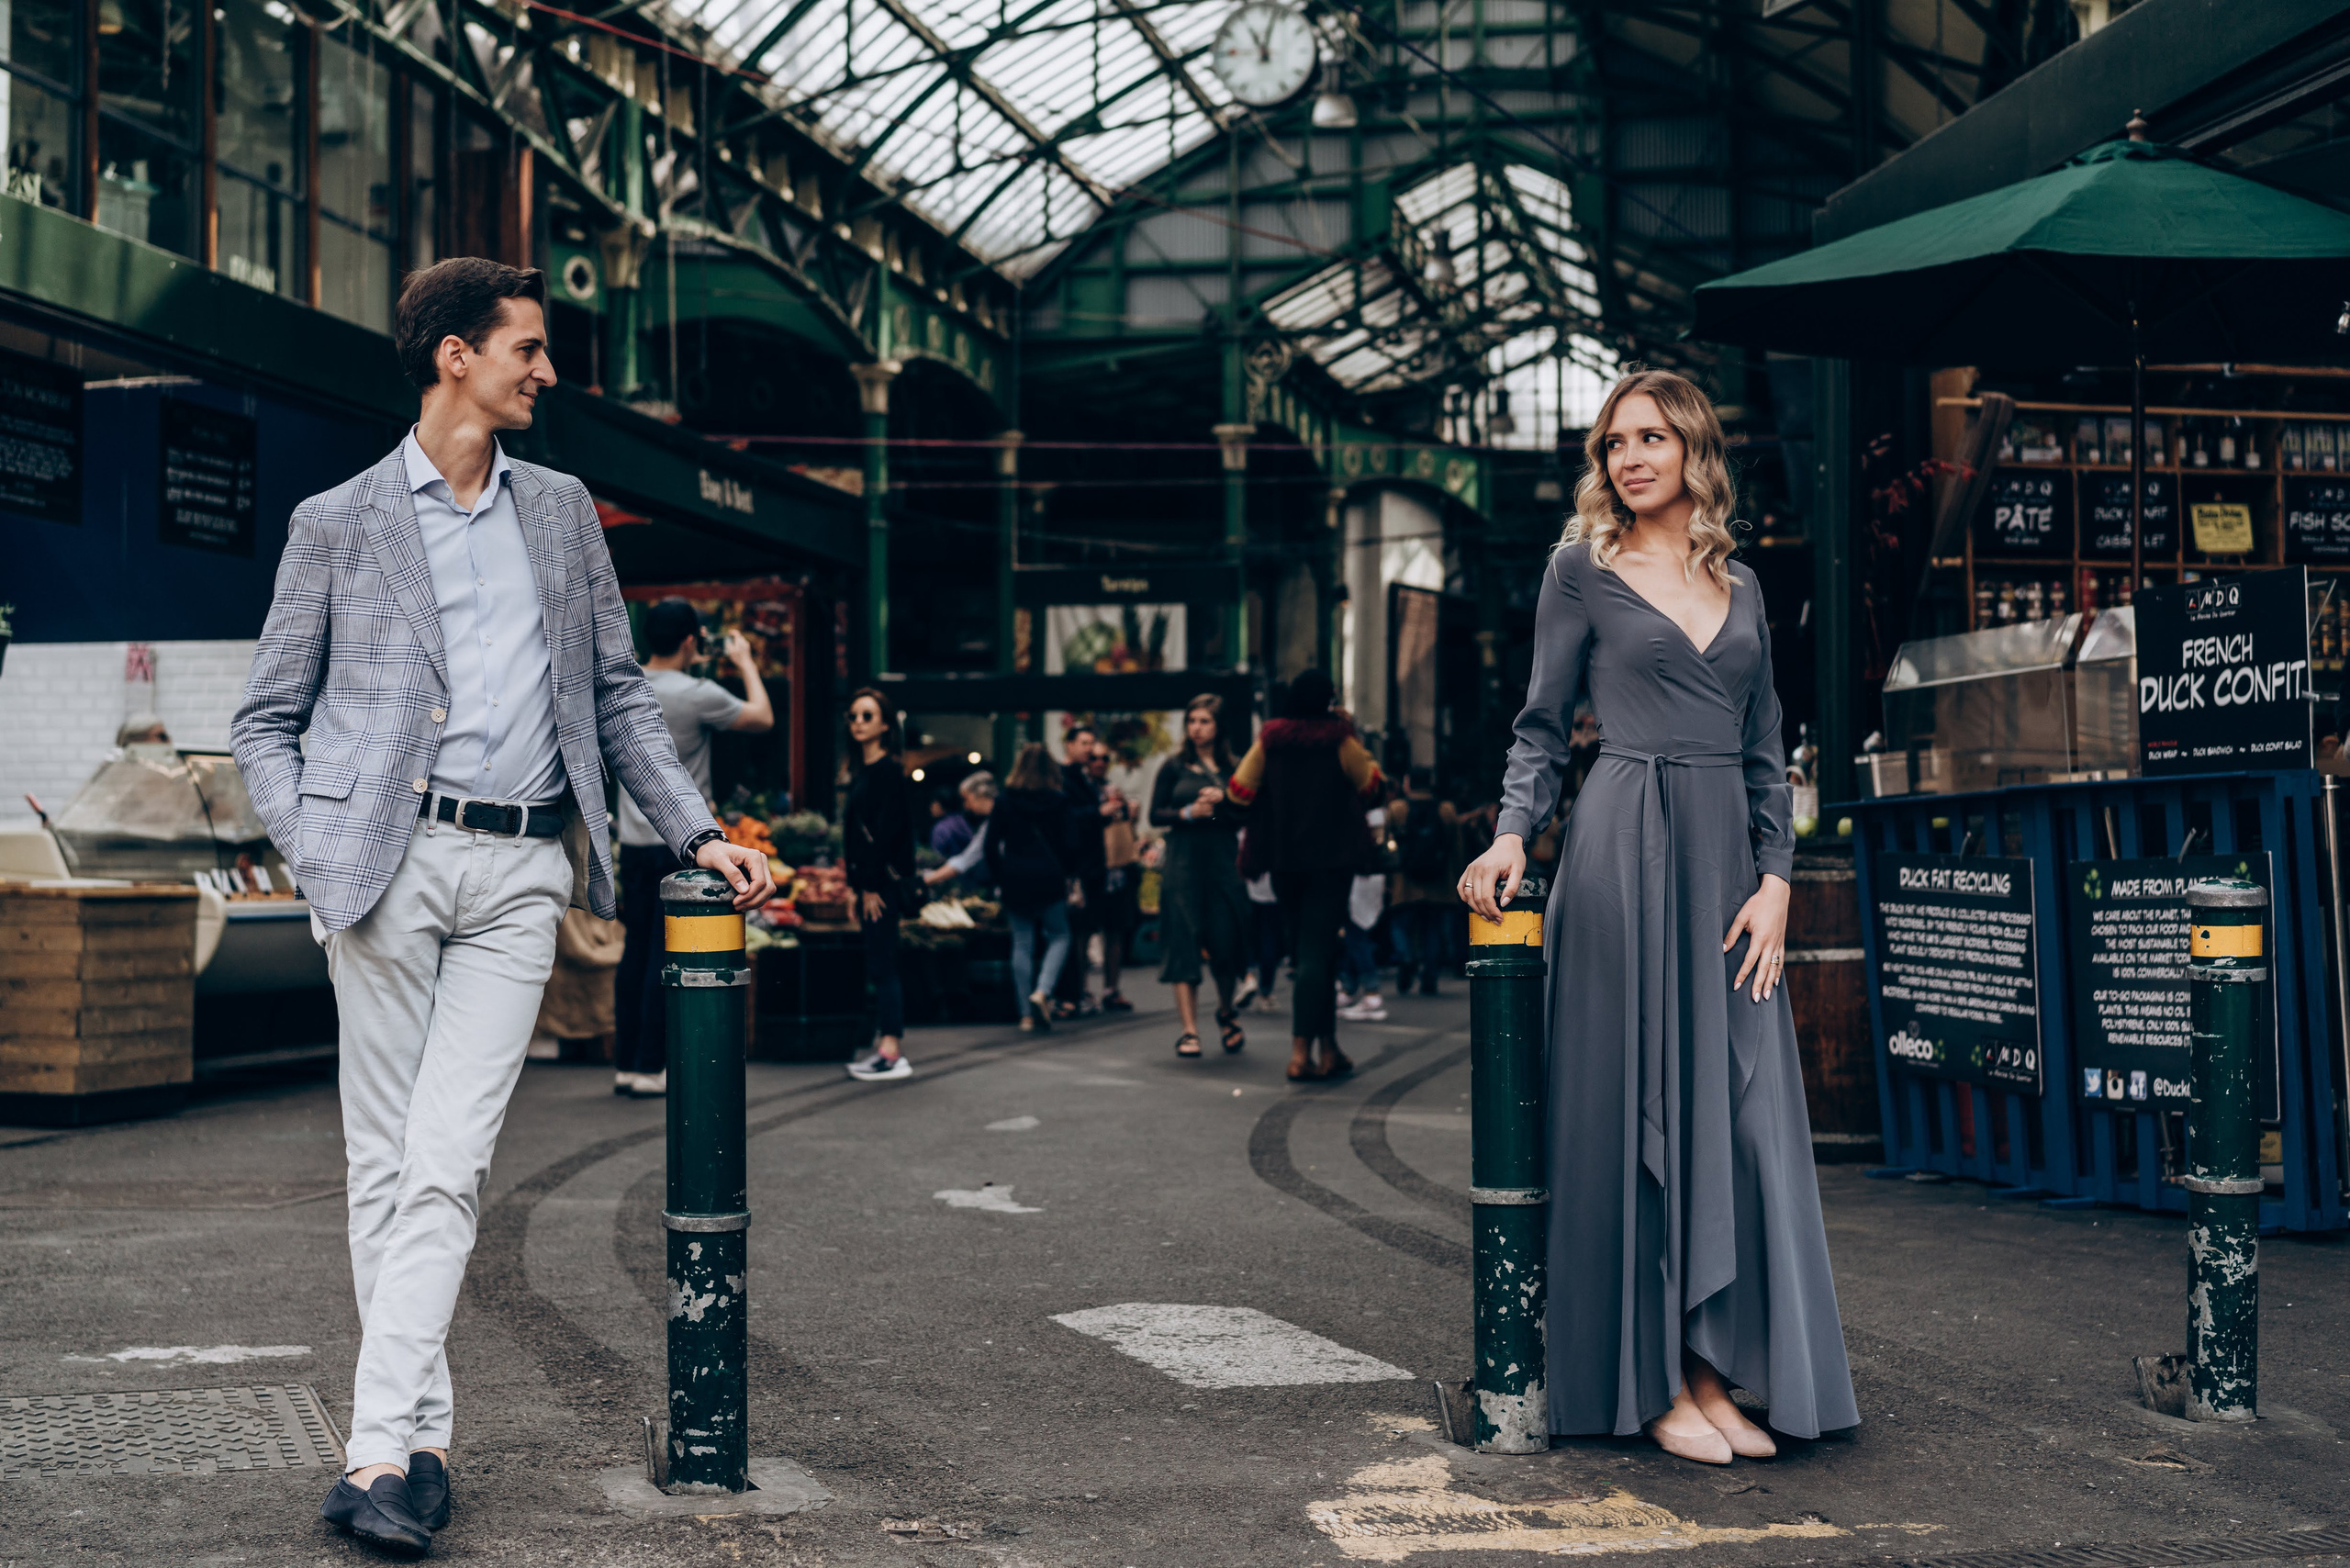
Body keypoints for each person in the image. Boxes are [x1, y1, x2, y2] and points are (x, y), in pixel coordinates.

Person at [229, 257, 772, 1556]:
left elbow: (621, 700)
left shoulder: (564, 511)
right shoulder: (339, 521)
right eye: (527, 349)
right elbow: (264, 721)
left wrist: (700, 829)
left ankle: (370, 1454)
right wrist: (315, 849)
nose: (546, 371)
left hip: (525, 870)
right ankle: (417, 1444)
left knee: (449, 1160)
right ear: (452, 356)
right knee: (386, 1169)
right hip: (385, 865)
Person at [1460, 367, 1857, 1465]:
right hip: (1620, 849)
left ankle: (1718, 1373)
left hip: (1728, 867)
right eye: (1611, 444)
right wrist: (1508, 832)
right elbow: (1540, 728)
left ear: (1692, 451)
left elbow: (1767, 749)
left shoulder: (1745, 584)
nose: (1626, 458)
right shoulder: (1577, 572)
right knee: (1635, 1108)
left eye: (1647, 439)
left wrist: (1777, 878)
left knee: (1736, 1113)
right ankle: (1654, 1382)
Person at [612, 599, 773, 1097]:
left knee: (635, 951)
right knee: (669, 957)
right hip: (684, 845)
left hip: (633, 843)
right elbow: (762, 718)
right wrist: (744, 661)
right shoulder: (699, 693)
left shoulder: (628, 686)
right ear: (691, 640)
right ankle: (651, 1063)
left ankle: (627, 1062)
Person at [1231, 668, 1382, 1081]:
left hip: (1283, 859)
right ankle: (1301, 1053)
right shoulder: (1339, 739)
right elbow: (1372, 787)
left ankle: (1329, 1049)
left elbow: (1238, 790)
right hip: (1332, 860)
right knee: (1318, 953)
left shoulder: (1270, 739)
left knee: (1308, 951)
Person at [1147, 694, 1251, 1058]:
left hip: (1221, 862)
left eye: (1204, 721)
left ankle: (1226, 1011)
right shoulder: (1174, 766)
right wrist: (1189, 812)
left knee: (1225, 940)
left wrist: (1224, 801)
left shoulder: (1235, 767)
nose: (1197, 728)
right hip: (1183, 862)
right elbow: (1155, 815)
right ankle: (1189, 1030)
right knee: (1182, 941)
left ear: (1219, 726)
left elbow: (1246, 815)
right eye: (1192, 721)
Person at [843, 689, 915, 1082]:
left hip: (881, 888)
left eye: (867, 716)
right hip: (869, 886)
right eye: (853, 716)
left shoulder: (889, 773)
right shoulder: (865, 771)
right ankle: (885, 1046)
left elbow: (888, 836)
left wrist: (868, 886)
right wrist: (858, 886)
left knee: (883, 964)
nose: (857, 722)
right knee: (879, 962)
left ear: (886, 725)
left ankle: (891, 1049)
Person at [987, 743, 1080, 1032]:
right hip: (1050, 878)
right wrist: (1069, 875)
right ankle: (1043, 990)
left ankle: (1025, 1014)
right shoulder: (1059, 801)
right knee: (1060, 935)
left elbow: (990, 845)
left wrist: (1000, 876)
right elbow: (1071, 844)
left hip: (1015, 877)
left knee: (1022, 942)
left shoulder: (1005, 800)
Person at [1053, 723, 1112, 1018]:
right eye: (1085, 743)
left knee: (1085, 932)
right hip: (1077, 869)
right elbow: (1065, 821)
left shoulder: (1085, 780)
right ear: (1070, 745)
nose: (1090, 750)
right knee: (1073, 932)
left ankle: (1078, 991)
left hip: (1091, 867)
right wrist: (1097, 813)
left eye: (1093, 744)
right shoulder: (1062, 779)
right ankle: (1071, 993)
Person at [1387, 778, 1460, 998]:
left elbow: (1387, 844)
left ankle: (1406, 956)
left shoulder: (1397, 808)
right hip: (1439, 883)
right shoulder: (1446, 810)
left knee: (1400, 925)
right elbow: (1457, 847)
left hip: (1405, 882)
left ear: (1408, 783)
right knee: (1433, 931)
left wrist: (1389, 878)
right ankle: (1430, 978)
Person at [1092, 745, 1140, 1012]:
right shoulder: (1083, 790)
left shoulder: (1114, 791)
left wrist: (1128, 812)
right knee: (1085, 931)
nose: (1100, 762)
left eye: (1104, 758)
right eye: (1094, 758)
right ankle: (1082, 991)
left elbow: (1126, 830)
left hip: (1119, 871)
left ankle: (1111, 988)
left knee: (1116, 930)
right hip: (1093, 869)